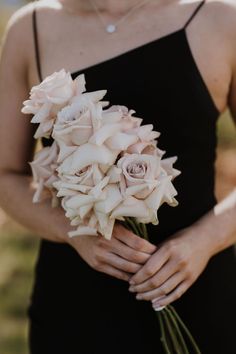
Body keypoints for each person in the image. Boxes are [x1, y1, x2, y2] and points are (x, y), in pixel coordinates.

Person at [0, 0, 236, 352]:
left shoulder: (218, 18)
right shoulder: (30, 27)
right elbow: (6, 175)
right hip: (75, 307)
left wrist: (202, 242)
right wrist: (72, 232)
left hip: (196, 294)